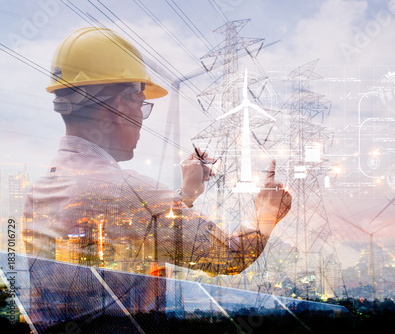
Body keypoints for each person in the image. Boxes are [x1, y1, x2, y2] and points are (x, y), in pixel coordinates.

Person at [23, 27, 292, 278]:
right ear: (120, 105)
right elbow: (229, 257)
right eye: (141, 104)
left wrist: (187, 194)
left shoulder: (39, 192)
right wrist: (266, 211)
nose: (141, 118)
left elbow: (134, 229)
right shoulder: (128, 191)